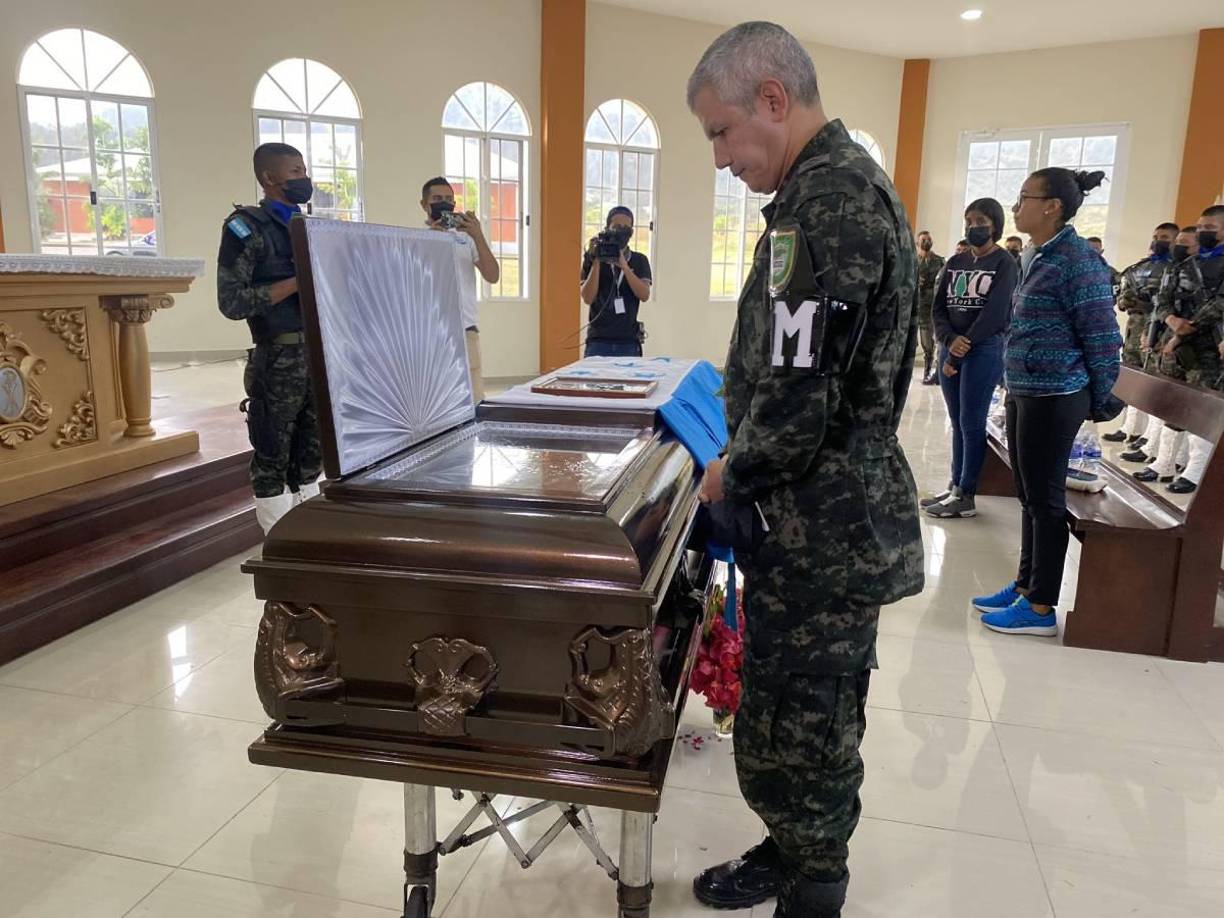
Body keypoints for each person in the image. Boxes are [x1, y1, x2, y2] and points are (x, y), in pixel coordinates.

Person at [685, 21, 923, 918]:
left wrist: (728, 471)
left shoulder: (829, 205)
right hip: (808, 515)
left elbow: (796, 399)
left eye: (720, 131)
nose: (719, 157)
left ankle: (814, 887)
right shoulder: (818, 193)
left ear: (773, 101)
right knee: (786, 706)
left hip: (823, 521)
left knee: (810, 721)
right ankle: (790, 851)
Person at [971, 167, 1121, 636]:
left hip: (1056, 394)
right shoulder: (1039, 255)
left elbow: (1102, 336)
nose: (1015, 208)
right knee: (1030, 495)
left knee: (1047, 499)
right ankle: (1024, 584)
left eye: (1023, 198)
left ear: (1051, 206)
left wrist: (1097, 399)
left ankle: (1040, 607)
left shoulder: (1078, 261)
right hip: (1026, 390)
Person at [217, 142, 321, 534]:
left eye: (303, 170)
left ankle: (309, 537)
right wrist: (297, 282)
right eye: (296, 171)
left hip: (317, 357)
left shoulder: (308, 226)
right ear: (269, 177)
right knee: (273, 456)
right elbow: (231, 301)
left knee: (312, 454)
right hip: (277, 359)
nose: (304, 178)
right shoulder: (245, 228)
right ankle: (280, 544)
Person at [923, 197, 1017, 519]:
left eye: (981, 222)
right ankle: (954, 486)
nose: (974, 227)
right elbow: (938, 308)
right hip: (951, 346)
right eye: (970, 221)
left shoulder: (1005, 264)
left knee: (971, 421)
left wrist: (965, 345)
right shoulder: (955, 263)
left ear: (996, 226)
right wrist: (950, 341)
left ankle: (967, 493)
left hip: (984, 349)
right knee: (957, 420)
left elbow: (996, 311)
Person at [1157, 206, 1224, 493]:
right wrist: (1171, 320)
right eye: (1200, 227)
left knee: (1205, 411)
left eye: (1210, 227)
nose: (1203, 232)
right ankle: (1167, 461)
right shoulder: (1186, 266)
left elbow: (1220, 303)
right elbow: (1163, 299)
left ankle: (1196, 471)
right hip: (1182, 345)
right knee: (1176, 403)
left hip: (1211, 348)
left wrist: (1189, 326)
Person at [420, 177, 500, 401]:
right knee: (437, 400)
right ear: (424, 205)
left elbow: (492, 275)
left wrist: (478, 234)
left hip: (466, 329)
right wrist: (432, 242)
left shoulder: (467, 238)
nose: (443, 203)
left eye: (449, 199)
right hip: (431, 332)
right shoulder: (417, 239)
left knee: (473, 401)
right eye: (437, 199)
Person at [1101, 222, 1180, 445]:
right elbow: (1124, 293)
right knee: (1132, 379)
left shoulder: (1176, 270)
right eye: (1155, 236)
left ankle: (1149, 439)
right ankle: (1129, 428)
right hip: (1135, 329)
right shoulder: (1141, 267)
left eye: (1164, 236)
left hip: (1158, 332)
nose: (1157, 240)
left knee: (1153, 383)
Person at [580, 206, 652, 357]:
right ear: (607, 228)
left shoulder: (639, 260)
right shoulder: (591, 257)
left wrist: (625, 267)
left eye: (626, 228)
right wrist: (597, 261)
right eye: (617, 227)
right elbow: (587, 298)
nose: (622, 231)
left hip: (629, 342)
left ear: (631, 231)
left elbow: (644, 295)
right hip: (597, 341)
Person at [915, 230, 946, 385]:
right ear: (917, 242)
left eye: (928, 239)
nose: (926, 242)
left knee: (928, 343)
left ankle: (928, 371)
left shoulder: (940, 261)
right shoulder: (912, 261)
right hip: (914, 307)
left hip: (931, 308)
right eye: (923, 239)